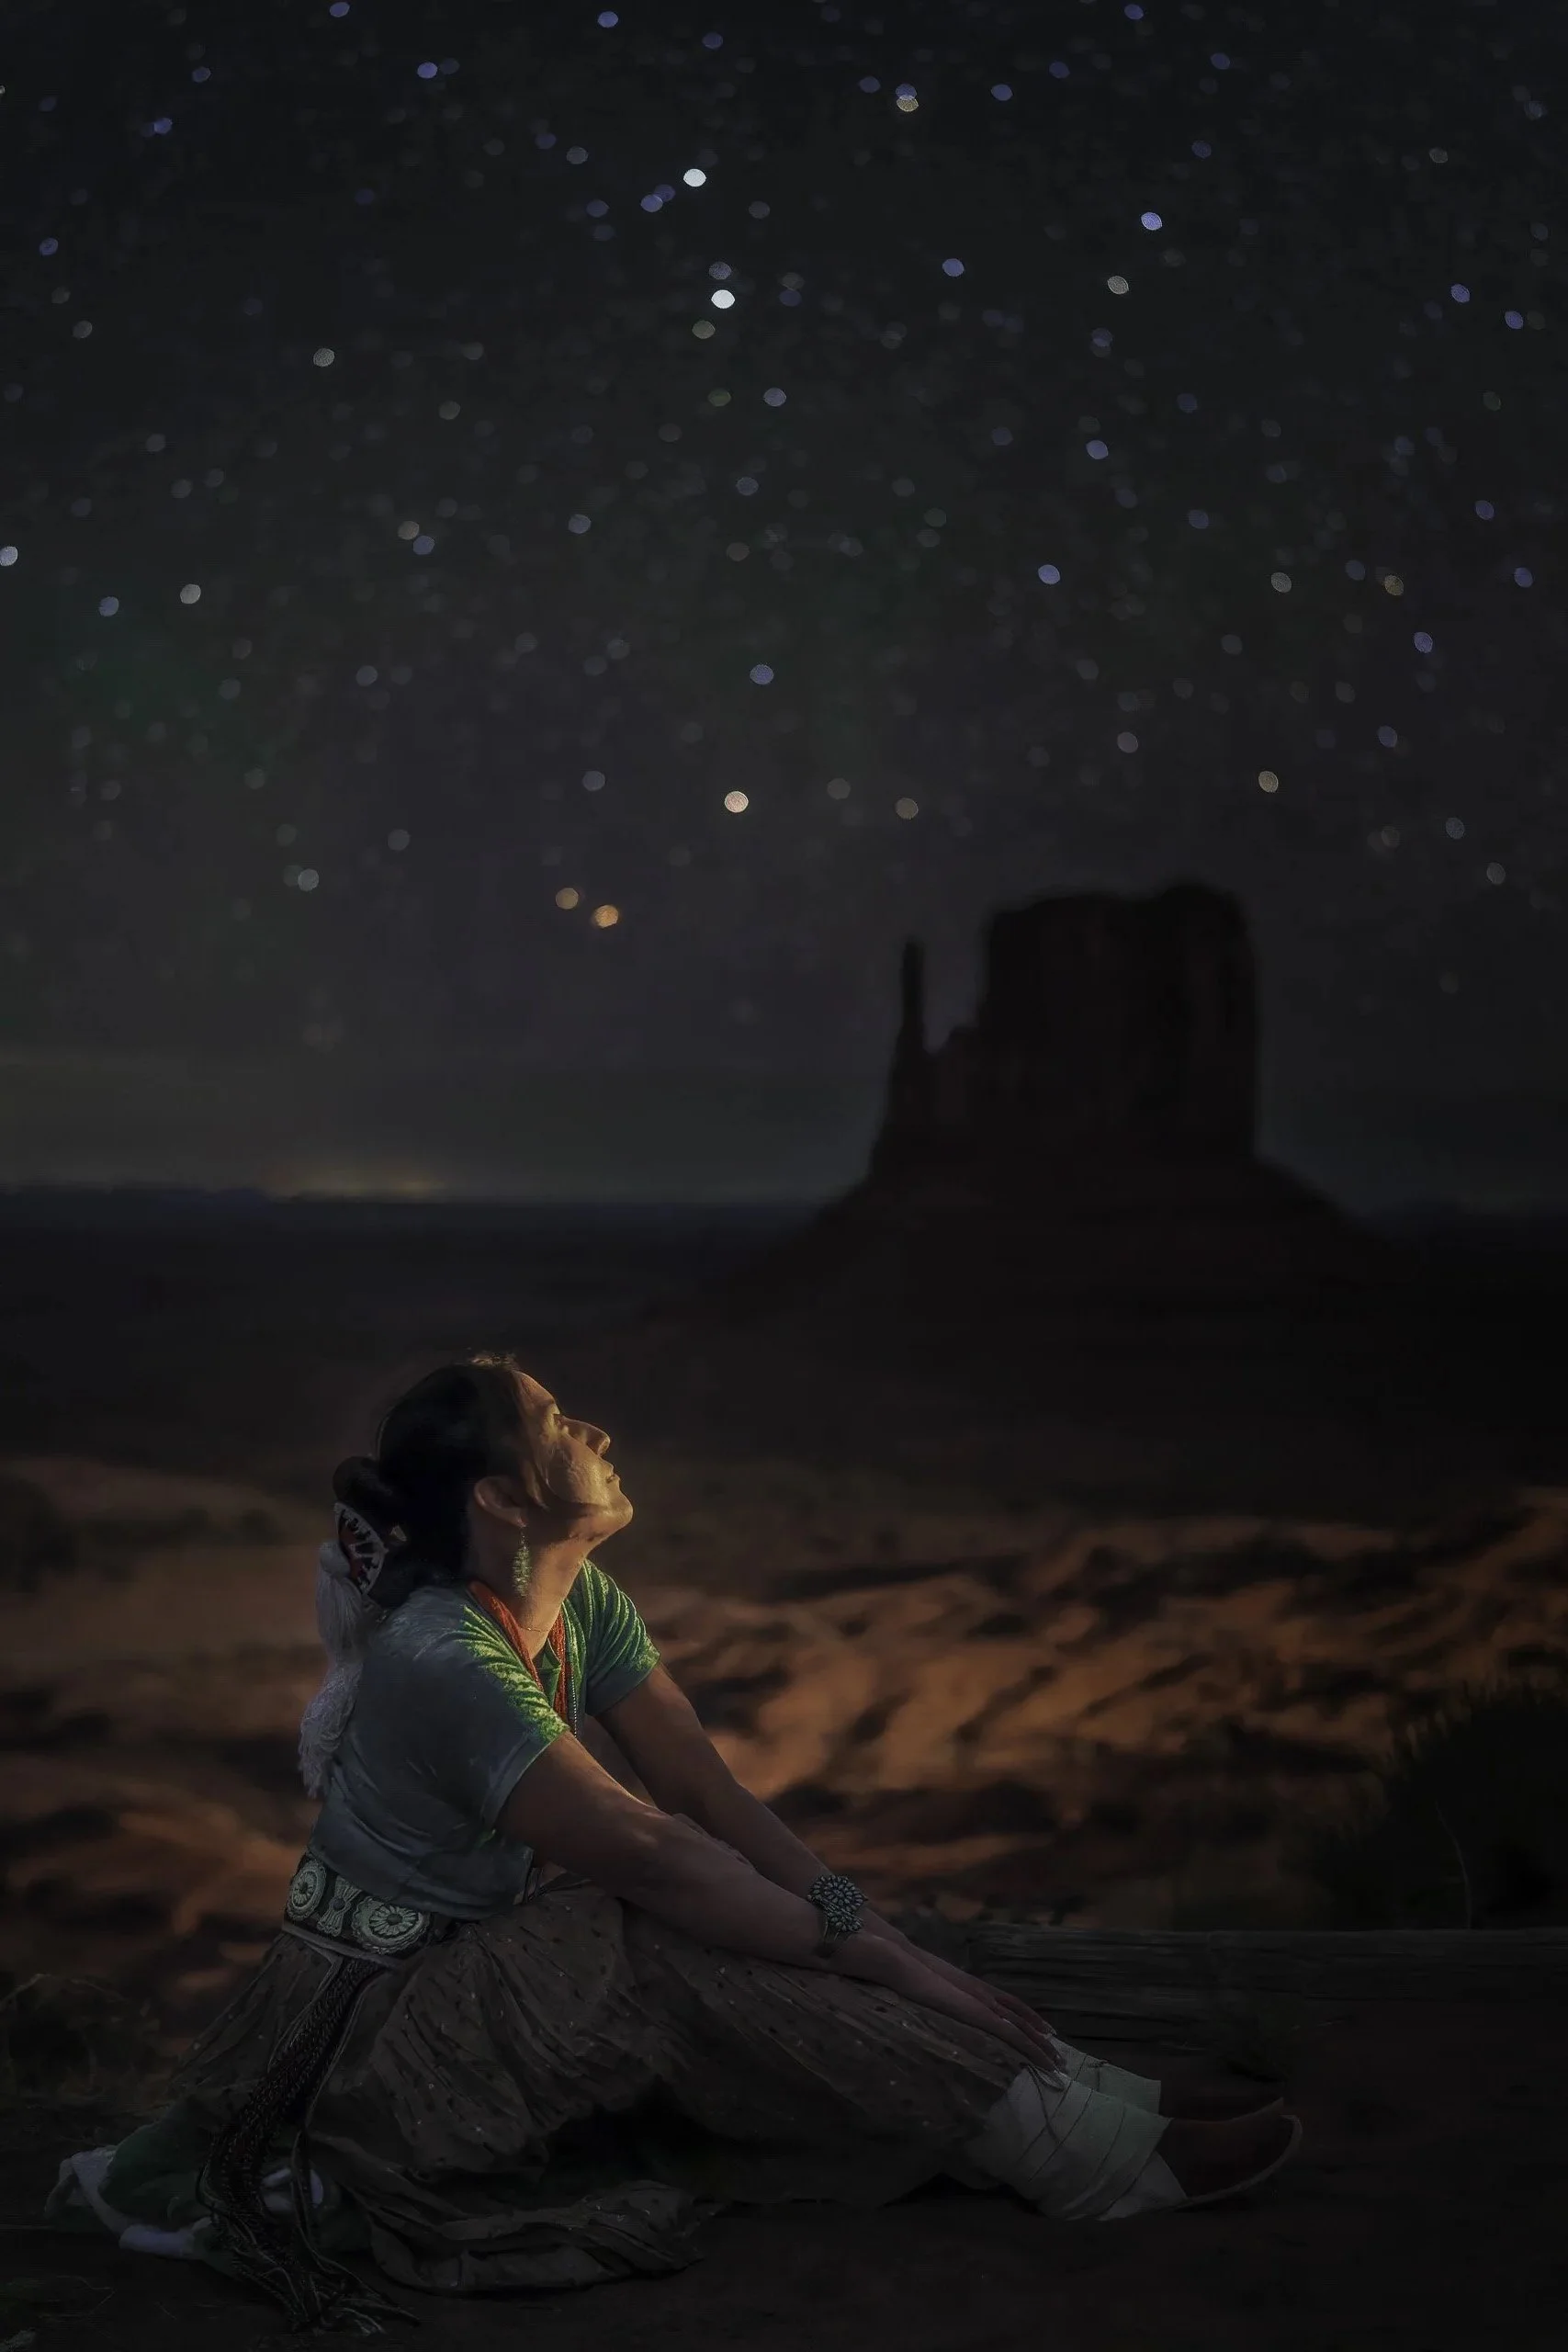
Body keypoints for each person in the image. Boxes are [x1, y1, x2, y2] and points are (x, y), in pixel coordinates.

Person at [53, 1352, 1301, 2328]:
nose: (591, 1431)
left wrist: (862, 1926)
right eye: (555, 1422)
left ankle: (1077, 2102)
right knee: (643, 1924)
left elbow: (704, 1792)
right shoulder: (446, 1657)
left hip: (477, 1997)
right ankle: (1072, 2147)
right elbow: (648, 1853)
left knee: (736, 1923)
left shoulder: (580, 1599)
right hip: (359, 2059)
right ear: (498, 1496)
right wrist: (890, 1961)